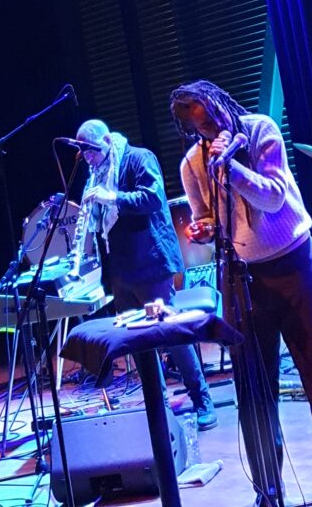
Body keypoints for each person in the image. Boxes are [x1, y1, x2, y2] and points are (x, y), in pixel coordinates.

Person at [170, 81, 312, 507]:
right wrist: (202, 229)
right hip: (241, 275)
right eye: (198, 125)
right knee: (253, 385)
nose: (209, 126)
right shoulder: (191, 164)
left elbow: (273, 199)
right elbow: (206, 218)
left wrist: (230, 167)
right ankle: (268, 488)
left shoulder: (260, 131)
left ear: (220, 103)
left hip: (294, 261)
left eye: (211, 115)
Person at [73, 119, 216, 430]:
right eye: (82, 152)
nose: (87, 157)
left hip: (150, 262)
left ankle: (202, 398)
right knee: (135, 338)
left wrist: (112, 198)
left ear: (107, 140)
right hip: (121, 269)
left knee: (171, 333)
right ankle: (158, 405)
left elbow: (153, 198)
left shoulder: (138, 158)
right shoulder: (96, 174)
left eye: (91, 150)